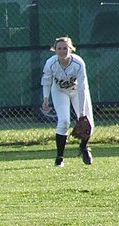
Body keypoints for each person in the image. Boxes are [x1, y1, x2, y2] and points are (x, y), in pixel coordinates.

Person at [41, 36, 94, 166]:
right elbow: (46, 81)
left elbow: (82, 87)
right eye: (59, 48)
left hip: (77, 91)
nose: (62, 51)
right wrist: (46, 98)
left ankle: (84, 147)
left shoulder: (78, 63)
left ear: (70, 49)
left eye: (65, 48)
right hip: (59, 91)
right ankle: (59, 158)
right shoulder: (51, 63)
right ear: (55, 49)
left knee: (88, 122)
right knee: (64, 121)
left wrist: (81, 113)